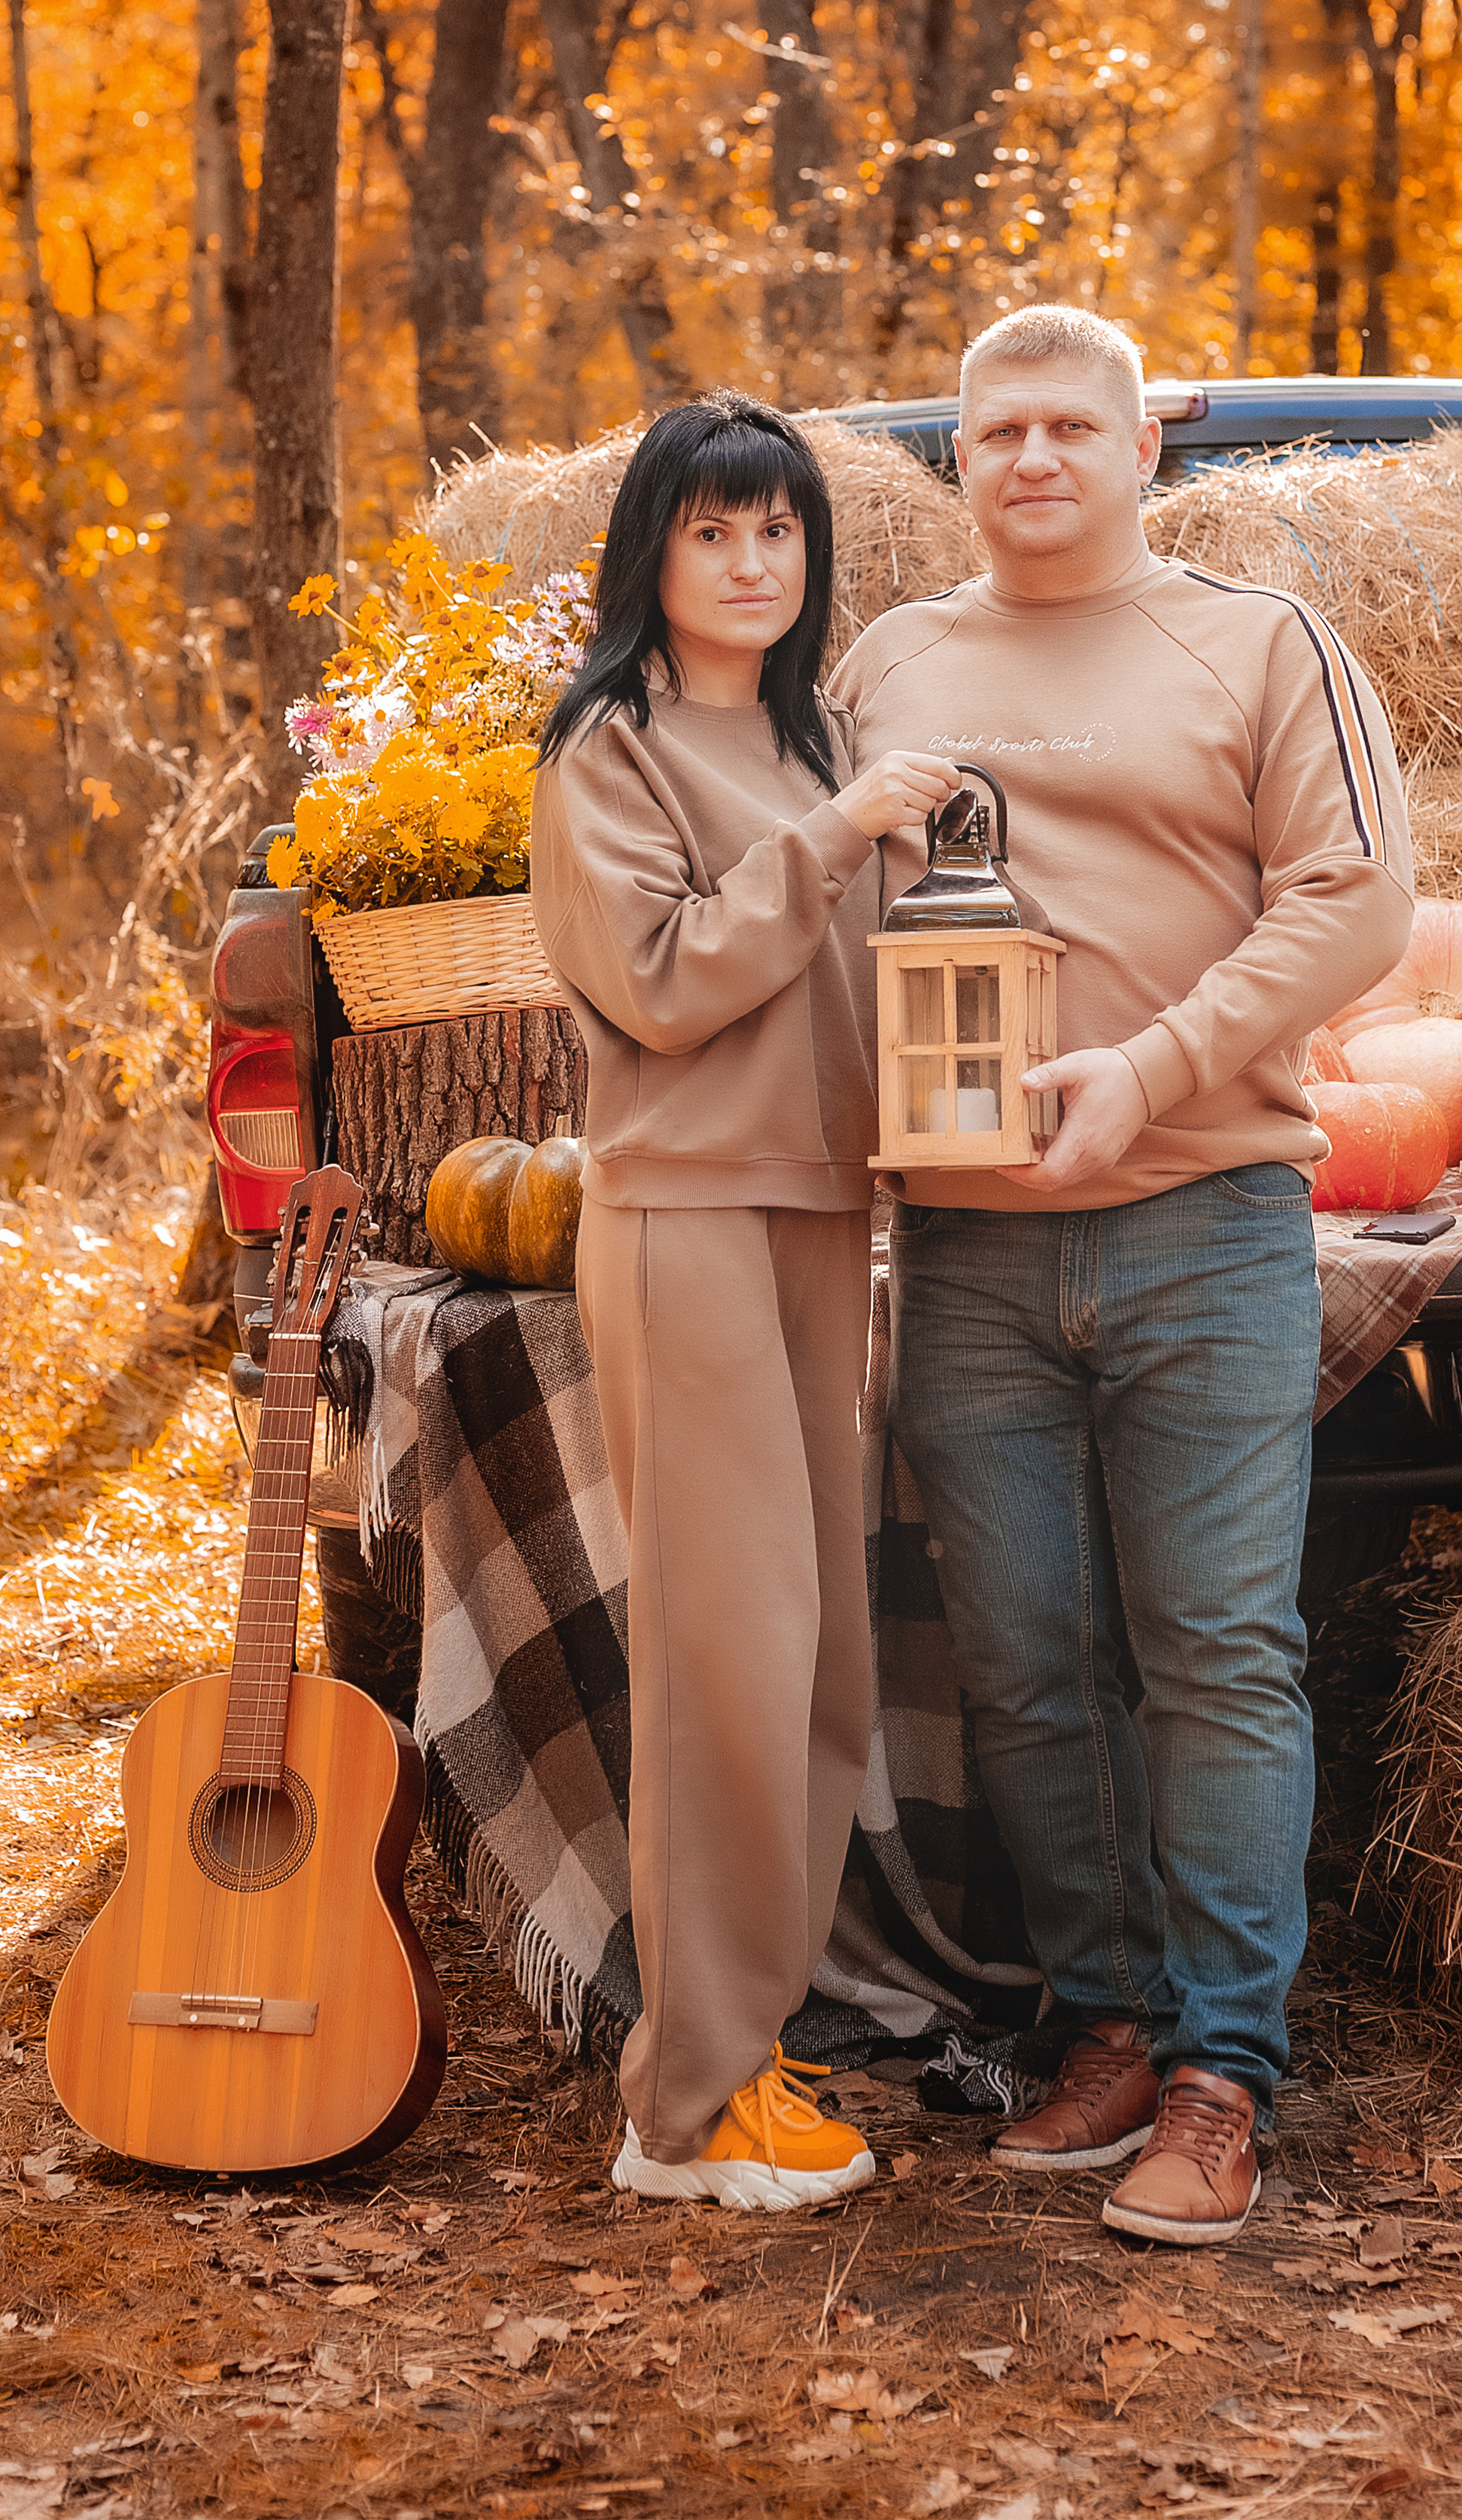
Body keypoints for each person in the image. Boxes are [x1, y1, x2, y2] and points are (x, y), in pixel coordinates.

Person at [830, 307, 1414, 2245]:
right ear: (961, 462)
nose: (1031, 459)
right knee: (1019, 1662)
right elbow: (820, 915)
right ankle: (1101, 2014)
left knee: (1216, 1655)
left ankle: (1222, 2071)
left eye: (1068, 425)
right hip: (966, 1252)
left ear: (1139, 445)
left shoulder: (1258, 644)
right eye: (995, 431)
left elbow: (1357, 900)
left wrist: (1149, 1066)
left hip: (1204, 1224)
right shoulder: (886, 665)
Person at [532, 391, 959, 2212]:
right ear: (653, 551)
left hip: (816, 1215)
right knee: (723, 1652)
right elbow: (655, 979)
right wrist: (842, 838)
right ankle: (684, 2104)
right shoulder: (607, 752)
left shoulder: (816, 739)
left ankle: (753, 2043)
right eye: (712, 531)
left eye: (777, 530)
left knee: (818, 1659)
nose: (750, 561)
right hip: (683, 1216)